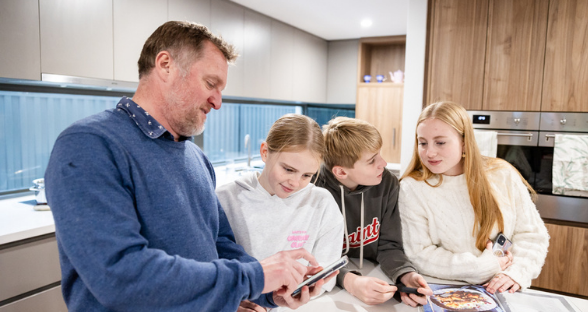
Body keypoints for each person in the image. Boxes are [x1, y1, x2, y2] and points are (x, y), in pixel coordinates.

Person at [44, 21, 322, 312]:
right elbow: (121, 276)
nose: (217, 102)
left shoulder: (195, 157)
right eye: (210, 84)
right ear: (165, 65)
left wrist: (268, 291)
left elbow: (220, 246)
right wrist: (254, 276)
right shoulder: (90, 144)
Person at [399, 101, 549, 294]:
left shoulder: (502, 174)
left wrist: (515, 274)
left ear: (464, 142)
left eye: (440, 142)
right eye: (423, 142)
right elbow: (419, 254)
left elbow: (532, 235)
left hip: (501, 289)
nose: (430, 152)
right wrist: (481, 267)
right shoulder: (412, 188)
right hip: (440, 290)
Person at [216, 114, 345, 311]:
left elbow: (326, 274)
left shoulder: (322, 202)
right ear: (265, 152)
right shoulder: (225, 199)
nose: (295, 183)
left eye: (307, 175)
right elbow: (211, 269)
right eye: (288, 169)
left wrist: (307, 286)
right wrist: (236, 299)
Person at [313, 117, 432, 307]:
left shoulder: (386, 184)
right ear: (341, 172)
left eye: (379, 154)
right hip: (322, 289)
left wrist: (404, 274)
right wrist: (349, 281)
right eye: (371, 160)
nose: (383, 163)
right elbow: (309, 255)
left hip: (374, 275)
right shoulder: (313, 188)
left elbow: (388, 245)